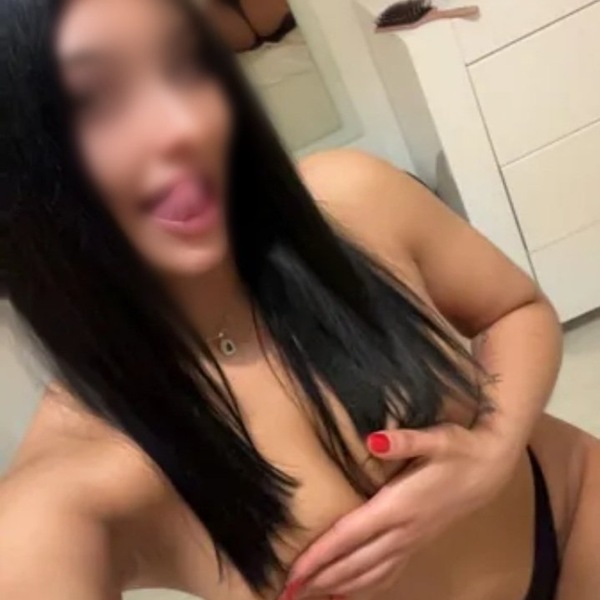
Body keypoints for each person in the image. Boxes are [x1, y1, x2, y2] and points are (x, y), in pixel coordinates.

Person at [0, 1, 598, 599]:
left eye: (184, 64)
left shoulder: (349, 198)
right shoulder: (74, 476)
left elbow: (516, 309)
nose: (184, 126)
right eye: (98, 101)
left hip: (573, 515)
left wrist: (492, 451)